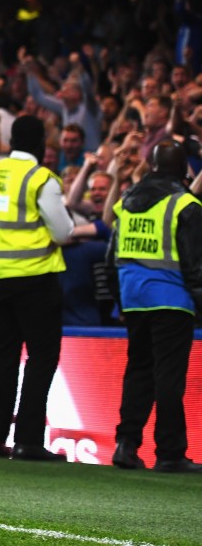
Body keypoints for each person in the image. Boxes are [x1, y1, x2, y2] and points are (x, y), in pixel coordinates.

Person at [0, 115, 73, 461]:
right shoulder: (40, 178)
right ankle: (28, 441)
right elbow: (63, 233)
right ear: (41, 145)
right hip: (34, 276)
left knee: (4, 355)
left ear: (11, 140)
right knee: (41, 356)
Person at [107, 140, 202, 473]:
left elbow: (111, 255)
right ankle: (170, 452)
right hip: (172, 300)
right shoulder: (185, 204)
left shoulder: (127, 200)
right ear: (181, 168)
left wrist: (119, 300)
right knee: (169, 378)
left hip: (134, 300)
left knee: (138, 373)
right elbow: (194, 264)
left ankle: (126, 444)